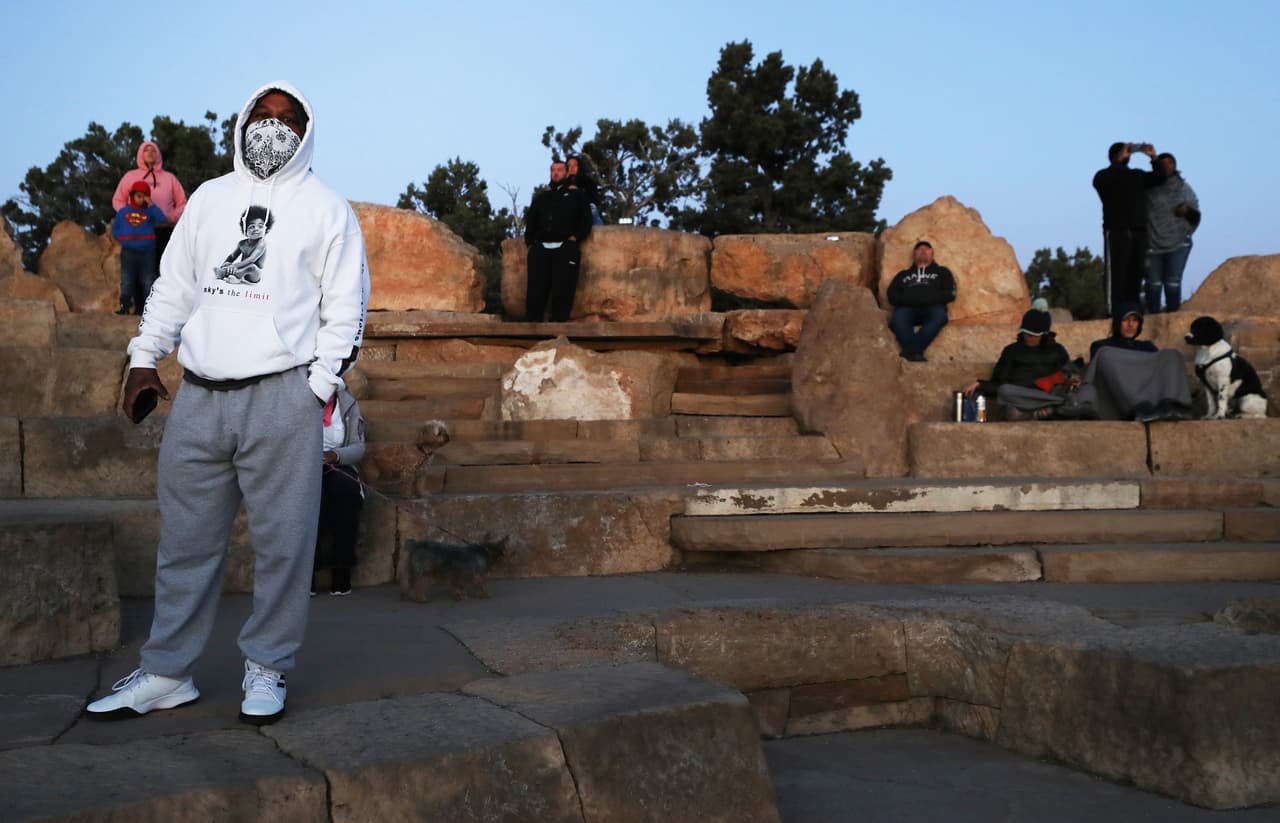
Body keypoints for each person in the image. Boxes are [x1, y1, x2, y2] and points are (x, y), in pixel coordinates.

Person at [85, 81, 370, 726]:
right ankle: (166, 672)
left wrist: (316, 391)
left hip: (281, 395)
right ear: (241, 124)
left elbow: (345, 310)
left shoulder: (328, 210)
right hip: (201, 398)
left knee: (283, 544)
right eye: (261, 117)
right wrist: (141, 357)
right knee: (184, 543)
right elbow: (174, 287)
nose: (272, 129)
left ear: (306, 132)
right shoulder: (211, 199)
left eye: (287, 120)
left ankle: (267, 664)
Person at [960, 307, 1073, 419]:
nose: (1028, 337)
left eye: (1033, 335)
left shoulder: (1057, 350)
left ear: (1043, 334)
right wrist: (980, 384)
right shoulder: (1011, 351)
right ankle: (1046, 411)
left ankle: (1044, 410)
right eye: (1026, 333)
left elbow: (1068, 376)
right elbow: (999, 384)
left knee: (1075, 396)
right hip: (1020, 399)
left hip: (1047, 396)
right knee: (1006, 392)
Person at [1084, 303, 1193, 421]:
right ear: (1117, 322)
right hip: (1118, 403)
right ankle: (1138, 408)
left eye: (1135, 320)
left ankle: (1172, 405)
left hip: (1152, 400)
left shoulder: (1147, 346)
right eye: (1126, 320)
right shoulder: (1101, 345)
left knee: (1172, 354)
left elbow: (1158, 369)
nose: (1130, 325)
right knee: (1105, 354)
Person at [1092, 142, 1158, 315]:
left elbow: (1159, 178)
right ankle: (1114, 314)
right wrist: (1118, 160)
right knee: (1117, 275)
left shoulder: (1137, 176)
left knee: (1135, 275)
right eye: (1125, 151)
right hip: (1116, 231)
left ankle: (1133, 313)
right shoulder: (1103, 176)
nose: (1129, 154)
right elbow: (1102, 182)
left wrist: (1153, 157)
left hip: (1138, 232)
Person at [313, 385, 366, 597]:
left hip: (338, 464)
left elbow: (358, 446)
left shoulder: (349, 405)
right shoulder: (299, 402)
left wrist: (335, 456)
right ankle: (307, 574)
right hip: (305, 467)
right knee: (311, 500)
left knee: (347, 494)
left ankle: (342, 570)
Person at [524, 160, 593, 322]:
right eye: (553, 170)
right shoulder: (541, 197)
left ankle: (559, 331)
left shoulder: (577, 195)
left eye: (560, 170)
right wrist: (531, 243)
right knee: (535, 291)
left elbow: (586, 220)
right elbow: (531, 221)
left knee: (563, 291)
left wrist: (575, 238)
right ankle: (530, 329)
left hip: (565, 249)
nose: (556, 173)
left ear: (566, 172)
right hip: (541, 249)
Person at [112, 141, 187, 267]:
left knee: (163, 269)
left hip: (165, 231)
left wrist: (170, 217)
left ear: (158, 154)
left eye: (153, 150)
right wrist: (130, 216)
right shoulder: (130, 176)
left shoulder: (169, 178)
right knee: (139, 272)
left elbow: (182, 203)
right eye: (146, 150)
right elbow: (118, 200)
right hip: (138, 230)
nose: (150, 153)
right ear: (140, 154)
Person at [1144, 153, 1199, 313]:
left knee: (1173, 283)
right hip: (1152, 244)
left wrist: (1187, 211)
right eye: (1164, 163)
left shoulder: (1183, 188)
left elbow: (1196, 214)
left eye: (1171, 163)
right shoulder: (1147, 187)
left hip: (1179, 243)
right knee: (1153, 284)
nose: (1168, 166)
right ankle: (1151, 322)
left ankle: (1172, 319)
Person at [886, 240, 956, 362]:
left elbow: (950, 293)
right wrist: (908, 300)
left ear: (932, 254)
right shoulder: (903, 274)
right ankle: (915, 354)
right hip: (907, 309)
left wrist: (929, 299)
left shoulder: (942, 272)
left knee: (940, 316)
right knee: (897, 319)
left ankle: (910, 352)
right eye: (919, 249)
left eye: (927, 249)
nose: (923, 251)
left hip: (933, 308)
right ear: (914, 254)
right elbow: (891, 294)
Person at [110, 181, 167, 315]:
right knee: (127, 280)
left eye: (144, 196)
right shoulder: (124, 211)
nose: (141, 199)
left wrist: (151, 204)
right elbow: (116, 228)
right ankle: (125, 306)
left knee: (148, 280)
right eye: (138, 196)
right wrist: (123, 239)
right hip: (128, 251)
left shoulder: (150, 212)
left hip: (147, 251)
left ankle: (150, 309)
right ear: (132, 196)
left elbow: (162, 219)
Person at [566, 155, 604, 226]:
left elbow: (595, 200)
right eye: (569, 165)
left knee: (592, 207)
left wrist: (578, 192)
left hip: (586, 209)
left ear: (579, 167)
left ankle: (598, 231)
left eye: (575, 165)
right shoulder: (563, 183)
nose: (572, 168)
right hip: (568, 211)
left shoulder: (588, 182)